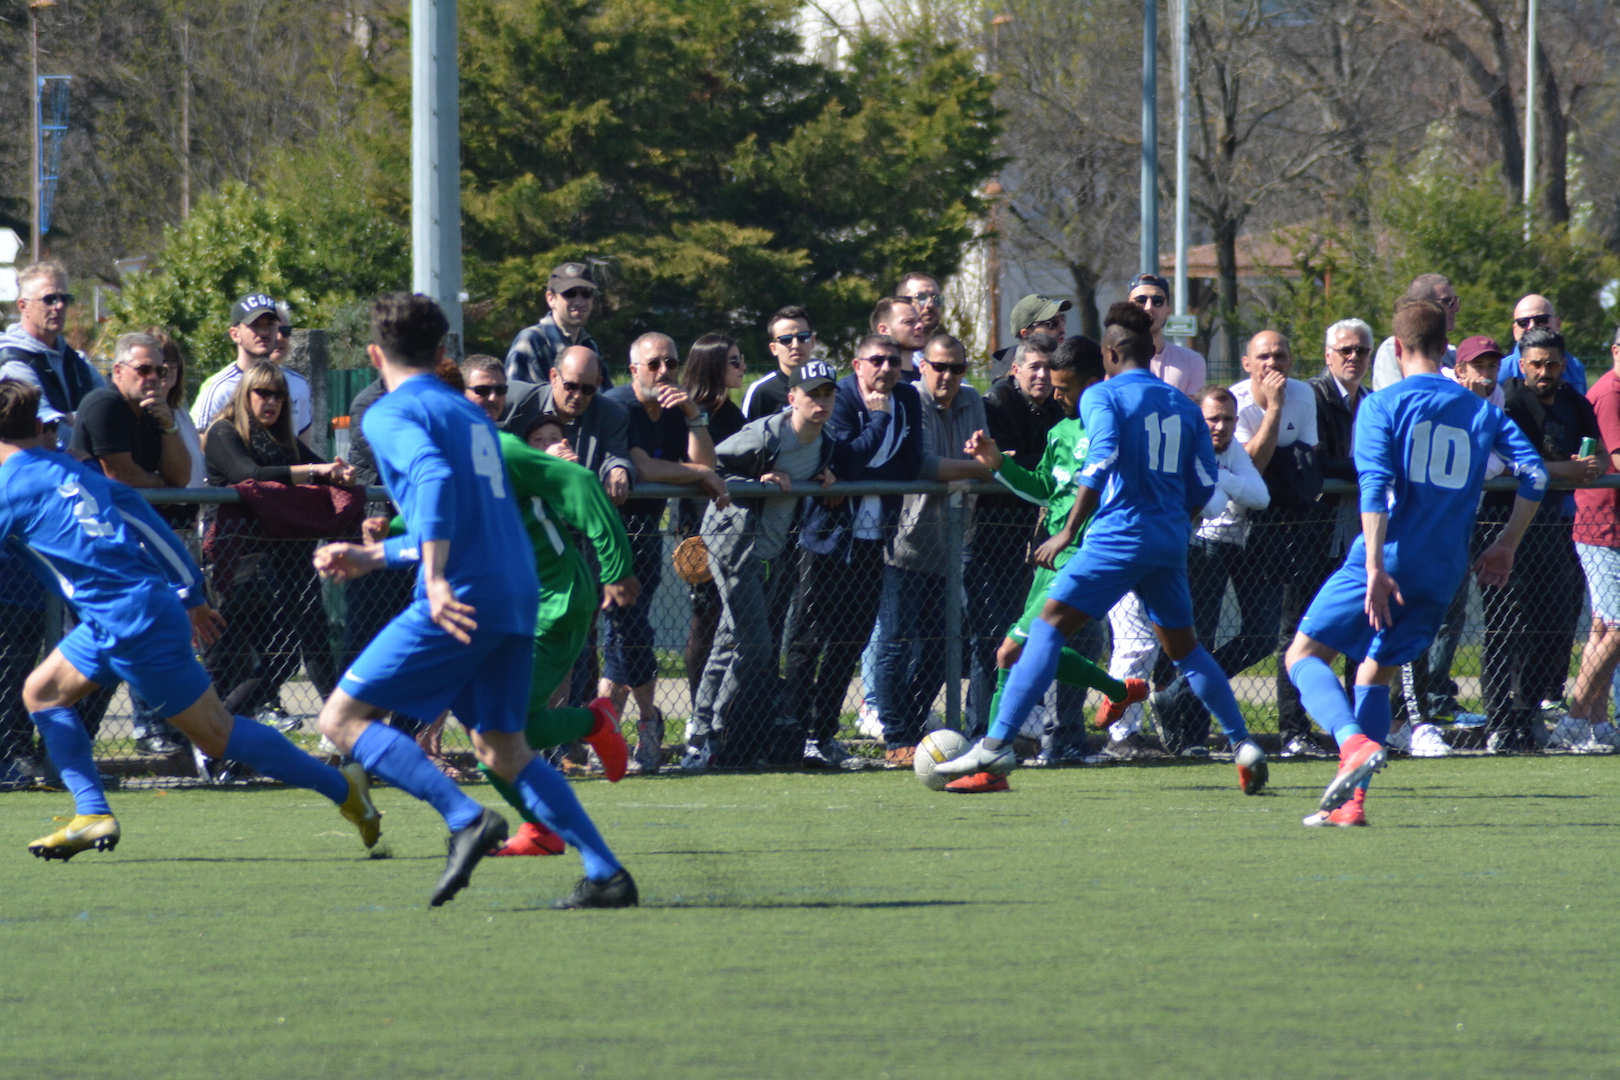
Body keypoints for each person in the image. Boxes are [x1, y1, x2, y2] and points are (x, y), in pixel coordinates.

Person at [314, 292, 636, 909]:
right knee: (502, 746)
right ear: (441, 352)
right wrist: (378, 556)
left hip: (461, 594)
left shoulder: (388, 413)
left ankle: (465, 817)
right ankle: (606, 873)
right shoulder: (470, 416)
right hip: (517, 591)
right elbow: (463, 510)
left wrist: (433, 578)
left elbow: (434, 483)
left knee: (341, 720)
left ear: (376, 356)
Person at [0, 378, 378, 861]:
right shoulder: (72, 469)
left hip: (128, 621)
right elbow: (141, 515)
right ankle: (91, 811)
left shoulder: (10, 488)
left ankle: (343, 788)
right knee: (42, 693)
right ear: (38, 426)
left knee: (216, 735)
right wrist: (189, 592)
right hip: (128, 612)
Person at [937, 303, 1269, 794]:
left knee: (1047, 627)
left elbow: (1102, 456)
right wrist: (1176, 523)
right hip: (1169, 541)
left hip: (1117, 535)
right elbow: (1205, 484)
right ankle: (1243, 744)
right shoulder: (1184, 404)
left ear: (1110, 353)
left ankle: (997, 745)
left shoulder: (1102, 395)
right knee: (1186, 650)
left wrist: (1068, 530)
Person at [1284, 298, 1548, 826]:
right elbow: (1536, 475)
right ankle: (1352, 806)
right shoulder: (1481, 410)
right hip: (1444, 570)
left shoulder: (1382, 405)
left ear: (1398, 348)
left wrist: (1374, 567)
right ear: (1444, 349)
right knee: (1374, 672)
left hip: (1388, 558)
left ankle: (1352, 741)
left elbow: (1374, 487)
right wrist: (1506, 543)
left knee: (1301, 656)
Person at [956, 334, 1146, 788]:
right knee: (1031, 649)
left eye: (1064, 388)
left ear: (1092, 383)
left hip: (1086, 555)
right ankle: (1119, 690)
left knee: (1010, 650)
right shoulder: (1059, 433)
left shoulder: (1115, 430)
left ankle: (991, 762)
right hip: (1052, 556)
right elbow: (1044, 489)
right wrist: (997, 463)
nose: (1056, 396)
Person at [687, 361, 849, 769]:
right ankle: (712, 733)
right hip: (733, 544)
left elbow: (821, 470)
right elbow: (710, 468)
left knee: (730, 641)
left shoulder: (826, 442)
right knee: (756, 646)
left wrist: (827, 476)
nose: (821, 402)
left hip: (773, 551)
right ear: (792, 397)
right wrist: (756, 481)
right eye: (812, 394)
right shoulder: (766, 435)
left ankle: (698, 731)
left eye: (828, 394)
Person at [785, 334, 934, 767]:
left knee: (850, 641)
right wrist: (879, 421)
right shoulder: (843, 397)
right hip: (828, 537)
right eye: (877, 360)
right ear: (858, 364)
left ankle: (823, 733)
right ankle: (793, 733)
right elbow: (846, 459)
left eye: (894, 361)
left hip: (875, 540)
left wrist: (860, 472)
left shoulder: (907, 397)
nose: (886, 368)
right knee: (809, 639)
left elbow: (909, 464)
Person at [201, 361, 355, 751]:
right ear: (245, 394)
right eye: (262, 393)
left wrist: (336, 473)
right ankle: (206, 733)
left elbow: (316, 467)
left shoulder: (282, 439)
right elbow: (246, 472)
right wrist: (314, 470)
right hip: (242, 560)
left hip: (289, 555)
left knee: (295, 649)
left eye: (279, 395)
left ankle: (338, 725)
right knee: (231, 655)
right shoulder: (223, 431)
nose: (271, 402)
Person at [601, 333, 729, 772]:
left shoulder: (677, 409)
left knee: (627, 637)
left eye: (671, 363)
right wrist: (698, 475)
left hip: (645, 537)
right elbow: (644, 466)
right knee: (624, 636)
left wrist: (694, 416)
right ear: (633, 369)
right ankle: (639, 723)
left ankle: (613, 734)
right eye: (653, 363)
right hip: (604, 537)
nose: (663, 372)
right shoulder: (619, 406)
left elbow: (707, 462)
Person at [1479, 326, 1602, 753]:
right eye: (1536, 364)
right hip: (1504, 525)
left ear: (1564, 365)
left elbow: (1598, 458)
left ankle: (1526, 711)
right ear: (1521, 364)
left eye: (1551, 364)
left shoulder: (1574, 402)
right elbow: (1510, 463)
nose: (1544, 372)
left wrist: (1586, 466)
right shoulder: (1509, 401)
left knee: (1554, 623)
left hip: (1554, 526)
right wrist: (1565, 470)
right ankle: (1499, 722)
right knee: (1507, 624)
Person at [874, 335, 992, 752]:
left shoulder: (971, 399)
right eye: (939, 366)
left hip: (950, 546)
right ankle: (895, 736)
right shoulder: (910, 398)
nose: (947, 376)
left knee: (942, 650)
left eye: (957, 368)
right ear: (922, 365)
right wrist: (979, 468)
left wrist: (980, 465)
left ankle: (911, 727)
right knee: (896, 645)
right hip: (903, 546)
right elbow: (925, 464)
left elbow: (985, 453)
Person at [1150, 385, 1272, 757]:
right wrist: (1229, 484)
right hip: (1197, 548)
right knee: (1197, 639)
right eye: (1213, 419)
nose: (1221, 427)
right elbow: (1213, 506)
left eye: (1228, 419)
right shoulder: (1186, 447)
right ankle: (1191, 738)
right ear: (1197, 419)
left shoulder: (1233, 451)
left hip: (1240, 546)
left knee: (1263, 636)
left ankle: (1174, 693)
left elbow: (1260, 497)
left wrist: (1222, 478)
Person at [971, 332, 1068, 742]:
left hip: (1027, 541)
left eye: (1049, 368)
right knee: (991, 637)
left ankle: (1018, 728)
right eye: (1035, 367)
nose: (1042, 375)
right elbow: (1006, 463)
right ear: (1015, 370)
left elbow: (1039, 467)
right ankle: (983, 730)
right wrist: (1039, 466)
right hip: (983, 535)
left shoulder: (1057, 408)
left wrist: (1033, 466)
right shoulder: (996, 403)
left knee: (1024, 635)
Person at [676, 334, 749, 711]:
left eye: (741, 359)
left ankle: (724, 709)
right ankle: (697, 710)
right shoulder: (694, 411)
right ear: (713, 366)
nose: (742, 367)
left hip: (733, 526)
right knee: (705, 620)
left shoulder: (730, 410)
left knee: (727, 622)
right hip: (701, 529)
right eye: (734, 361)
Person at [1563, 324, 1620, 750]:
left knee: (1604, 628)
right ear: (1616, 350)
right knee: (1616, 627)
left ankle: (1596, 724)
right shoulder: (1610, 393)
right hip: (1601, 525)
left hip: (1611, 525)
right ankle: (1572, 719)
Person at [0, 261, 103, 449]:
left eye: (65, 299)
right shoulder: (12, 363)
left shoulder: (78, 361)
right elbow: (52, 431)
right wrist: (87, 423)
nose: (59, 306)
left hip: (85, 461)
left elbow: (110, 411)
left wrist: (71, 419)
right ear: (23, 306)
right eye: (49, 299)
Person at [70, 333, 192, 492]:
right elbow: (121, 475)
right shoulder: (104, 403)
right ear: (119, 371)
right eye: (144, 369)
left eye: (160, 371)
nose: (154, 377)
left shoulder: (151, 410)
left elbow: (181, 479)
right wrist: (164, 486)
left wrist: (169, 426)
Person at [191, 293, 314, 440]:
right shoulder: (219, 389)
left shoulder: (298, 384)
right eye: (255, 325)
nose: (264, 332)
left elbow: (303, 447)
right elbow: (201, 447)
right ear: (235, 334)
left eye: (270, 324)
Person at [505, 261, 603, 386]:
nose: (579, 301)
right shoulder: (531, 341)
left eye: (586, 294)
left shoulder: (590, 347)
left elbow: (606, 395)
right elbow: (514, 394)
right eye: (570, 294)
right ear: (551, 299)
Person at [1370, 274, 1458, 391]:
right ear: (1424, 305)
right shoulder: (1394, 347)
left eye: (1455, 301)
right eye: (1447, 302)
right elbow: (1392, 397)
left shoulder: (1451, 353)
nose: (1456, 308)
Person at [1128, 272, 1205, 393]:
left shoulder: (1192, 361)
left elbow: (1190, 405)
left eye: (1157, 301)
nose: (1149, 307)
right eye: (1140, 300)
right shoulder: (1112, 359)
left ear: (1168, 311)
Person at [1498, 294, 1588, 394]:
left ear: (1557, 324)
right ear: (1515, 330)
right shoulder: (1499, 373)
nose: (1532, 326)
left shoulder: (1575, 368)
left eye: (1541, 320)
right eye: (1523, 322)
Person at [742, 306, 816, 421]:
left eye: (803, 337)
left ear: (812, 342)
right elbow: (745, 431)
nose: (796, 345)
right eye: (786, 340)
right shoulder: (762, 392)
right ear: (774, 348)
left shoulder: (825, 387)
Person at [991, 294, 1071, 379]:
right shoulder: (1004, 379)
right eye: (1053, 322)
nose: (1062, 327)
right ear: (1026, 334)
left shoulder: (1071, 363)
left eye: (1062, 318)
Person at [871, 297, 927, 380]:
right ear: (884, 330)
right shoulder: (877, 381)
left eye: (919, 321)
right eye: (909, 322)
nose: (920, 326)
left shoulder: (927, 379)